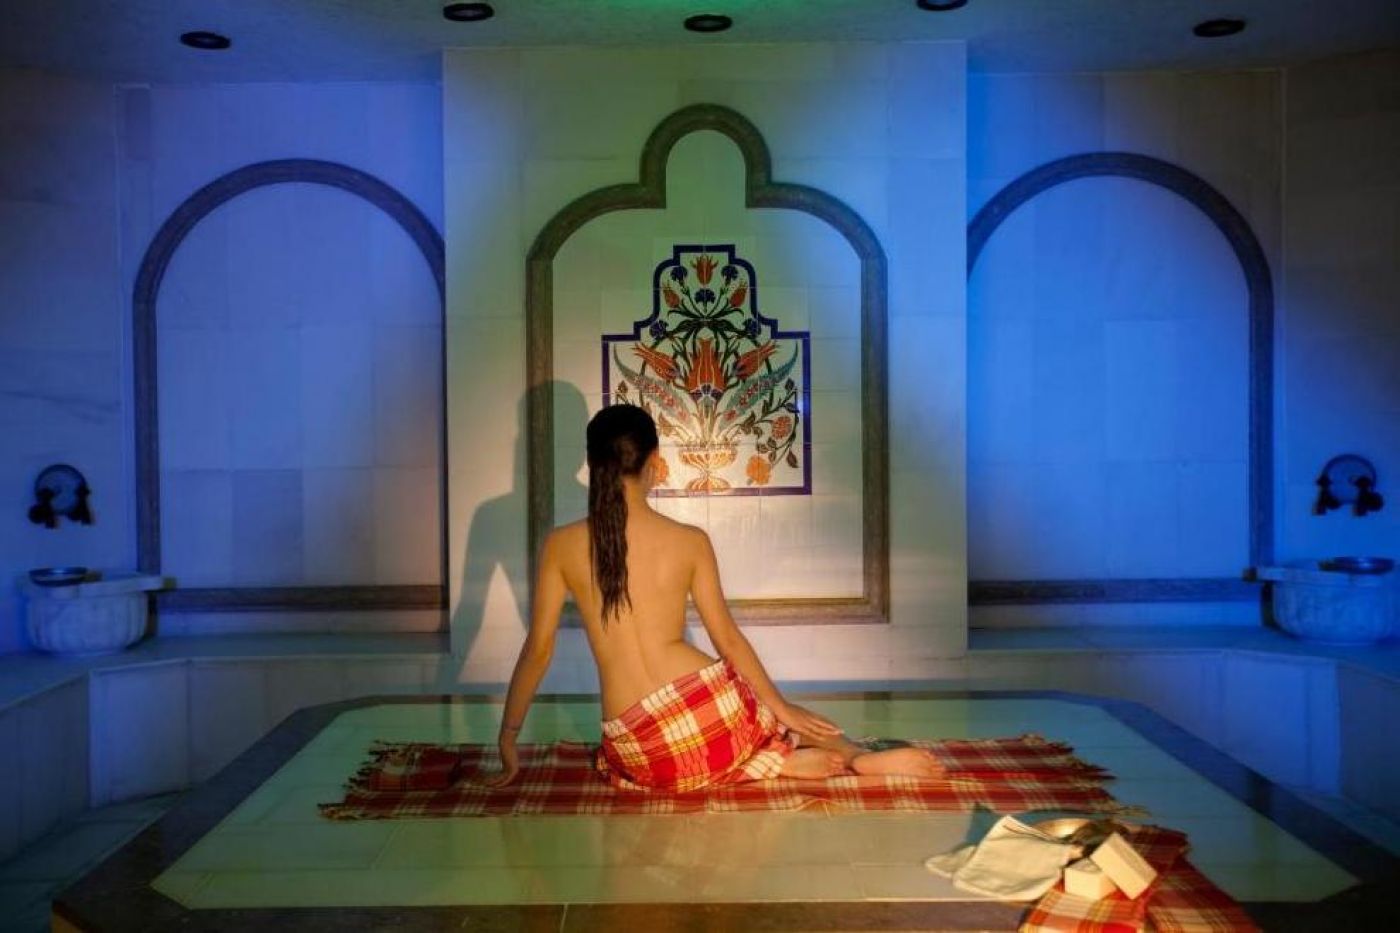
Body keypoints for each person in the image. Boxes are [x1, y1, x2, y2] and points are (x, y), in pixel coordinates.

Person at [485, 403, 943, 790]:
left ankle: (774, 762)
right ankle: (845, 755)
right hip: (712, 714)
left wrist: (508, 735)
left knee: (660, 760)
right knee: (773, 718)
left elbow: (538, 650)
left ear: (592, 461)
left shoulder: (561, 545)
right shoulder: (689, 540)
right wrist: (781, 707)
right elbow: (728, 640)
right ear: (654, 461)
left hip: (638, 747)